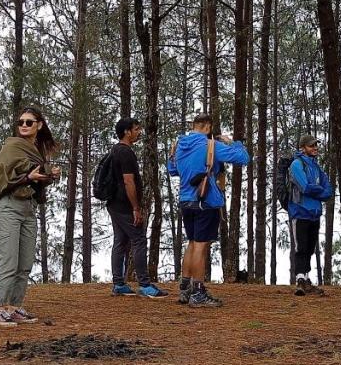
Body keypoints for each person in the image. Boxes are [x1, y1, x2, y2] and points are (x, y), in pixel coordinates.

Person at [167, 113, 250, 308]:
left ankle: (185, 288)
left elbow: (172, 170)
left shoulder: (178, 145)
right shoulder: (209, 146)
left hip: (186, 200)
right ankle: (198, 293)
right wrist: (233, 143)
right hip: (205, 201)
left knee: (193, 242)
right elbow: (243, 158)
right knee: (201, 246)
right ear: (207, 126)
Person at [0, 106, 59, 327]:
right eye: (21, 122)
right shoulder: (12, 147)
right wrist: (29, 177)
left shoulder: (36, 150)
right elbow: (2, 181)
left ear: (39, 125)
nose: (24, 126)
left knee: (25, 262)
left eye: (29, 122)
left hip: (28, 207)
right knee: (9, 260)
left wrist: (49, 175)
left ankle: (14, 307)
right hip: (8, 206)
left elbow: (35, 178)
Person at [106, 117, 168, 298]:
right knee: (139, 240)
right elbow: (128, 181)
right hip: (124, 205)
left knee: (121, 241)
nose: (139, 132)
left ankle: (119, 284)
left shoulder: (115, 150)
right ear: (127, 132)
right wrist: (136, 208)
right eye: (136, 129)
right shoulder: (125, 152)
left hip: (114, 203)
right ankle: (144, 285)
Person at [288, 135, 333, 296]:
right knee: (301, 247)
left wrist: (318, 190)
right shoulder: (296, 164)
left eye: (315, 145)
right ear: (302, 148)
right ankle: (299, 280)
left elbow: (329, 191)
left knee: (310, 248)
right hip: (300, 212)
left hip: (314, 213)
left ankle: (306, 280)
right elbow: (305, 187)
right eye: (311, 145)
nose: (315, 147)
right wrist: (318, 189)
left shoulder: (317, 167)